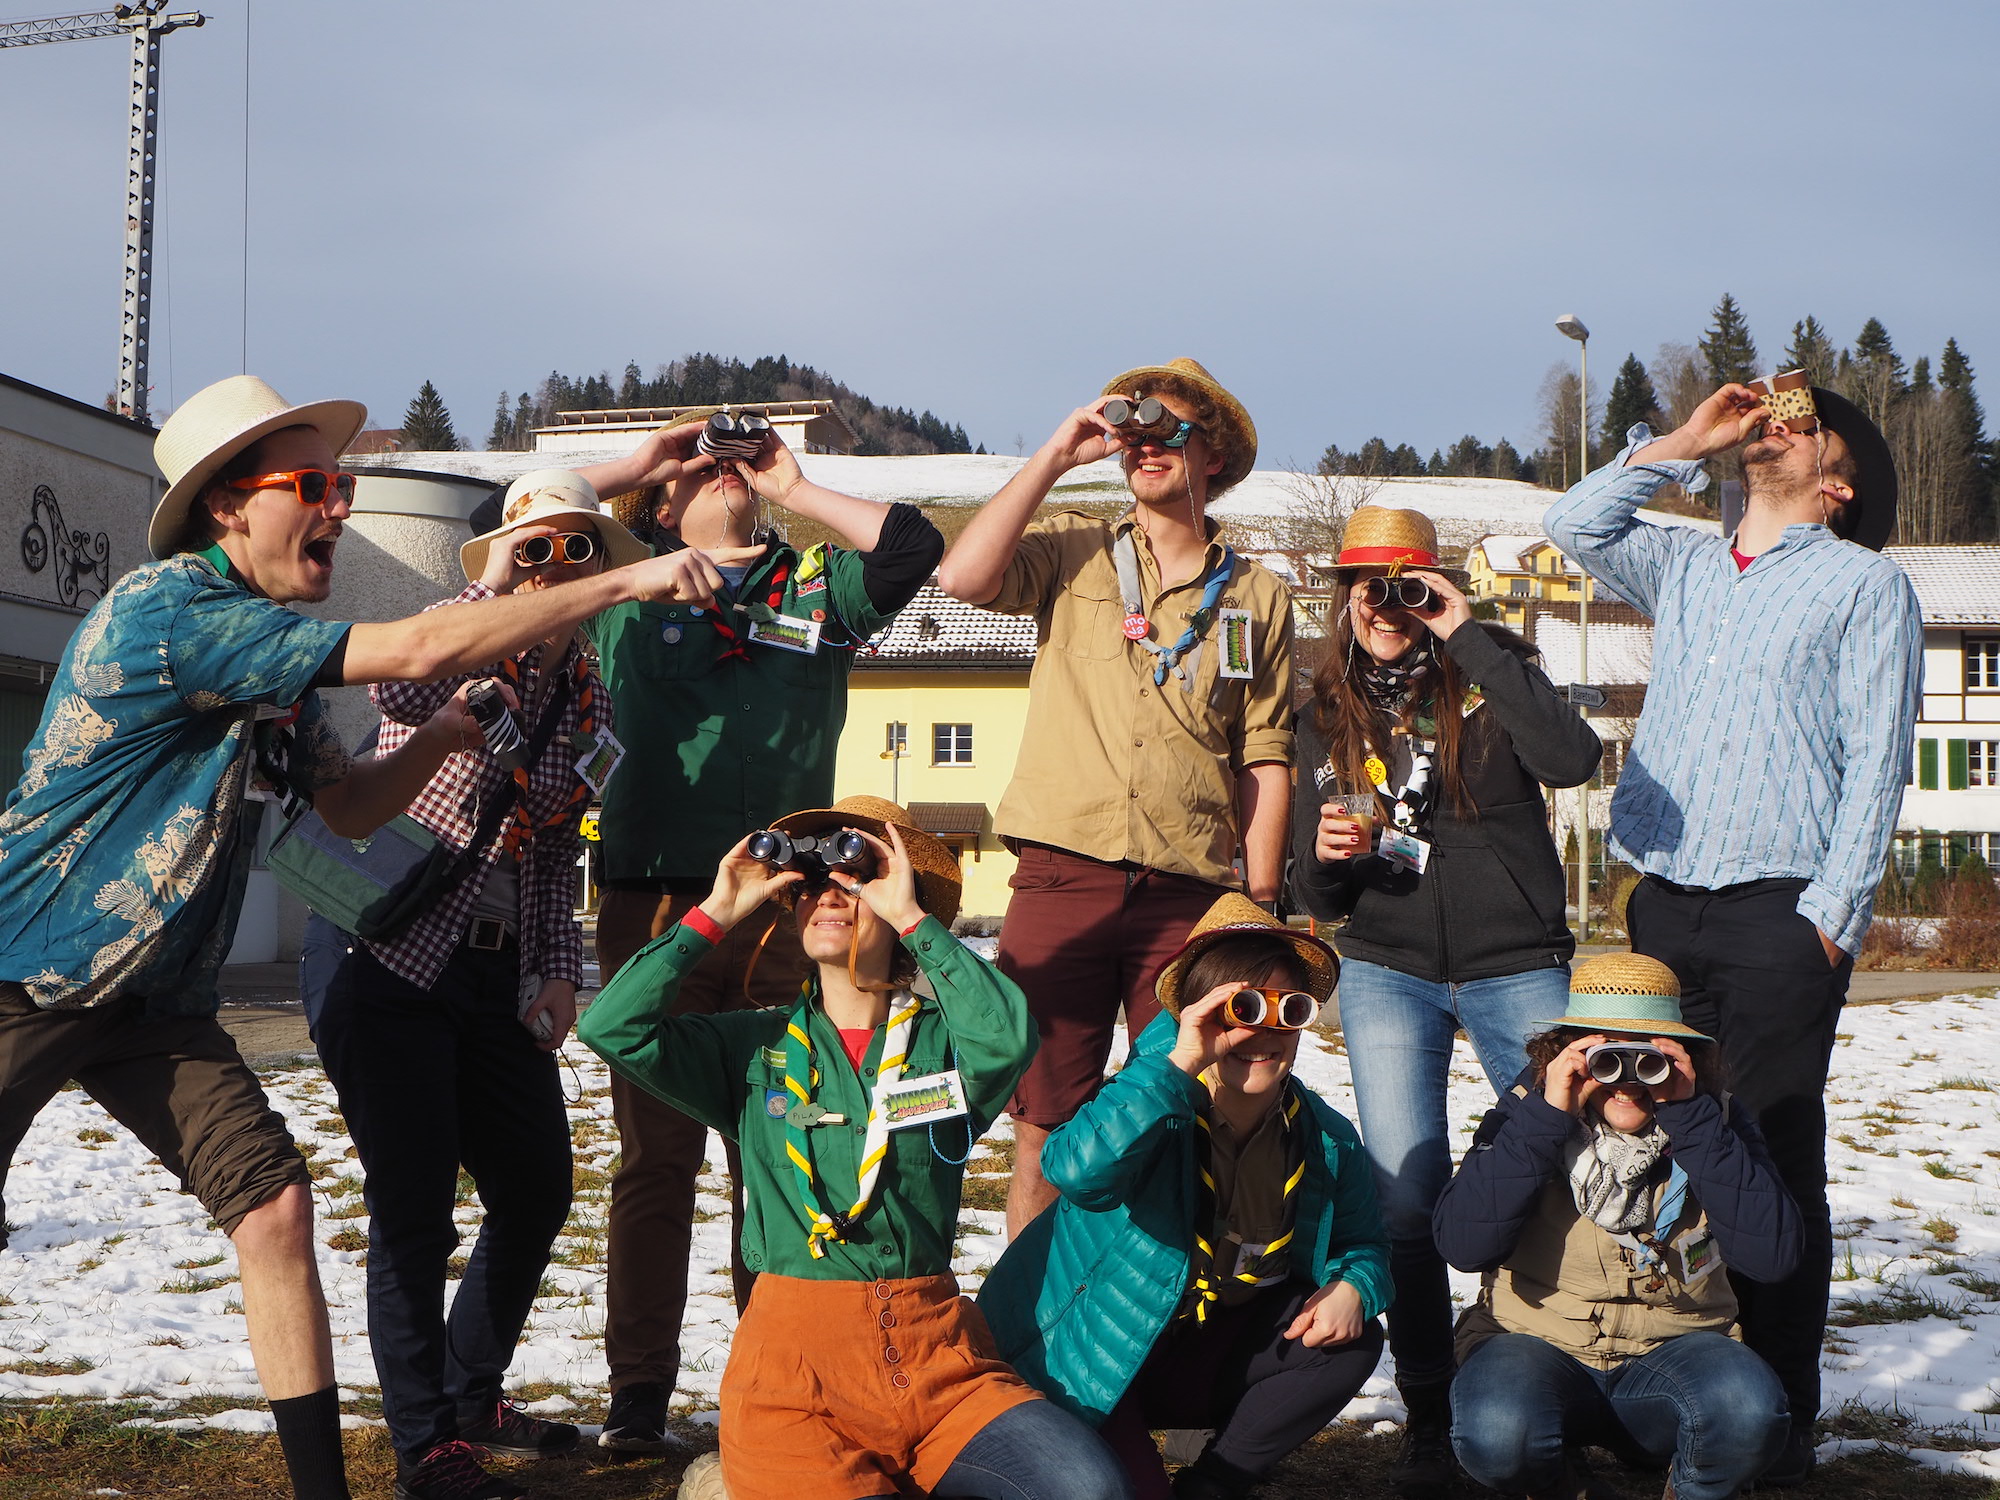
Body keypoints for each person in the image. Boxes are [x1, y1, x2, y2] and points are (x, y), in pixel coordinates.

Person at [0, 376, 736, 1499]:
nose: (339, 506)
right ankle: (429, 1434)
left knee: (276, 1207)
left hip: (154, 1002)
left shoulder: (277, 662)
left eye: (342, 484)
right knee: (401, 1210)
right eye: (312, 485)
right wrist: (626, 573)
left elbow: (346, 809)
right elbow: (421, 646)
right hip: (33, 973)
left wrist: (439, 744)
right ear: (227, 506)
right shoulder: (175, 612)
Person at [1544, 382, 1922, 1485]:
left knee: (1766, 1154)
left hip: (1780, 910)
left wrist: (1831, 917)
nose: (1776, 427)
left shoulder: (1865, 585)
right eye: (1770, 416)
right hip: (1661, 901)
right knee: (1651, 1137)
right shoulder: (1685, 565)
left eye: (1804, 424)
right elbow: (1572, 524)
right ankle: (1672, 1383)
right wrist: (1683, 441)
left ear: (1839, 484)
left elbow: (1878, 757)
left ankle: (1783, 1415)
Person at [561, 412, 942, 1454]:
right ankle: (638, 1392)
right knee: (655, 1159)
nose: (719, 467)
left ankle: (774, 1383)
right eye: (698, 464)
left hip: (789, 905)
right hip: (658, 903)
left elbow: (913, 549)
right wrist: (636, 461)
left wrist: (793, 486)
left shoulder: (812, 586)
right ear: (659, 501)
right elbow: (500, 528)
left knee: (780, 1152)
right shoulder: (622, 582)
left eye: (733, 458)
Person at [578, 795, 1132, 1500]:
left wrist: (914, 920)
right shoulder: (751, 1048)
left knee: (1088, 1489)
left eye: (858, 878)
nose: (830, 895)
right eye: (812, 883)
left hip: (939, 1364)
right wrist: (715, 911)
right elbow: (612, 1027)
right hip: (794, 1378)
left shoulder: (943, 1045)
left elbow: (1009, 1037)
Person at [304, 470, 644, 1500]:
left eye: (574, 548)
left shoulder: (589, 694)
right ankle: (426, 1443)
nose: (552, 568)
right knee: (414, 1210)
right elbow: (397, 694)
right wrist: (490, 585)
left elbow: (555, 847)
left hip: (496, 968)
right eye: (534, 546)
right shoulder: (457, 644)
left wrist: (557, 972)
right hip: (387, 954)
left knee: (536, 1187)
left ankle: (468, 1392)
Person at [936, 358, 1295, 1239]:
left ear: (1213, 455)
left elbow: (1265, 754)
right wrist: (1058, 453)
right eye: (1132, 430)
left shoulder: (1257, 595)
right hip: (1062, 876)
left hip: (1189, 891)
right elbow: (962, 579)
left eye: (1168, 430)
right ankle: (1034, 1316)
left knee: (1179, 1111)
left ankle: (1157, 1311)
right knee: (1045, 1126)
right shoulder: (1073, 548)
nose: (1144, 445)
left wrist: (1258, 905)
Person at [1287, 506, 1601, 1497]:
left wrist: (1463, 630)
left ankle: (1555, 1387)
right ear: (1343, 597)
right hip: (1388, 968)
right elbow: (1317, 893)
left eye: (1404, 586)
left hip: (1517, 962)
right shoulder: (1321, 713)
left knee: (1566, 1171)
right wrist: (1324, 858)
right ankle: (1429, 1412)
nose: (1383, 605)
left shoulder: (1493, 677)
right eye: (1364, 586)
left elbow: (1573, 760)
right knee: (1405, 1199)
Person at [981, 894, 1392, 1499]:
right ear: (1194, 1015)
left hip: (1201, 1345)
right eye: (1239, 1009)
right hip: (1091, 1354)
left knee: (1348, 1339)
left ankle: (1216, 1483)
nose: (1262, 1032)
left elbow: (1365, 1242)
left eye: (1288, 1010)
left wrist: (1354, 1283)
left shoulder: (1322, 1136)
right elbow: (1074, 1171)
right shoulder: (1150, 1103)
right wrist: (1177, 1065)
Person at [1433, 954, 1800, 1500]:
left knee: (1748, 1414)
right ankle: (1562, 1486)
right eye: (1607, 1058)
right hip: (1536, 1342)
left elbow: (1772, 1257)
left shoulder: (1714, 1118)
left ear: (1683, 1057)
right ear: (1568, 1055)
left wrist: (1691, 1119)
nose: (1627, 1082)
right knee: (1500, 1432)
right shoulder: (1528, 1112)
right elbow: (1464, 1245)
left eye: (1649, 1059)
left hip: (1679, 1346)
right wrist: (1545, 1121)